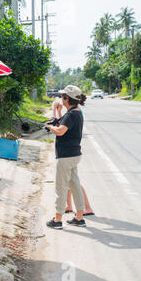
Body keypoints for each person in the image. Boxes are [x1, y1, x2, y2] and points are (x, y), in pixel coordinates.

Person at [45, 85, 87, 229]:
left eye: (62, 96)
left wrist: (50, 127)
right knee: (75, 186)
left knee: (61, 187)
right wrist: (56, 111)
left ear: (67, 98)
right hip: (74, 155)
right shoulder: (76, 112)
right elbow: (60, 122)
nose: (61, 98)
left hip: (66, 156)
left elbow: (60, 130)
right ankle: (79, 218)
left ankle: (57, 220)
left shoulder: (71, 115)